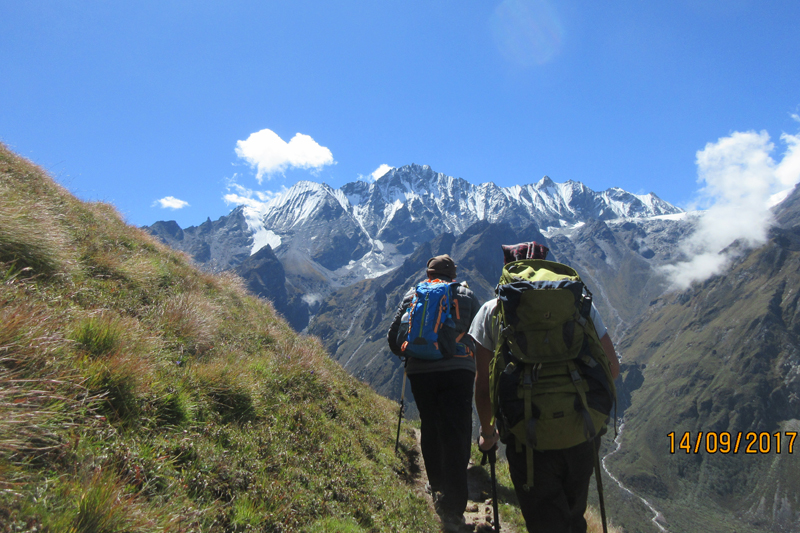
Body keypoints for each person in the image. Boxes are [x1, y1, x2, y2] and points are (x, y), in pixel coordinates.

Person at [471, 242, 620, 533]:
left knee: (544, 522)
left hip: (527, 437)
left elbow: (484, 385)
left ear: (508, 268)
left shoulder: (492, 311)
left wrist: (487, 434)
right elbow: (611, 368)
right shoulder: (580, 307)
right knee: (574, 518)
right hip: (581, 429)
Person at [387, 254, 480, 531]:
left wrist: (411, 354)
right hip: (459, 371)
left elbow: (394, 337)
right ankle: (453, 505)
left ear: (428, 274)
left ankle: (437, 485)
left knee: (431, 425)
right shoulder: (465, 294)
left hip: (421, 372)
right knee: (457, 431)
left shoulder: (412, 295)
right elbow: (481, 334)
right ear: (454, 274)